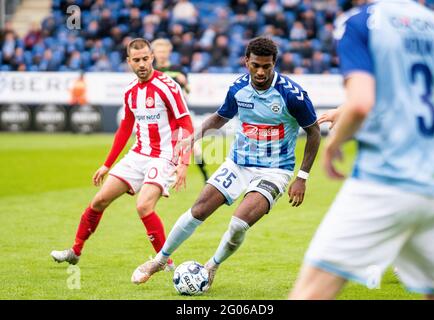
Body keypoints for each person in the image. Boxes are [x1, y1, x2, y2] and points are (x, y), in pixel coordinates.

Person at [289, 0, 434, 300]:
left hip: (384, 182)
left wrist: (335, 143)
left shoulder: (363, 22)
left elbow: (362, 102)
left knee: (309, 293)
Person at [130, 37, 321, 288]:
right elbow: (220, 117)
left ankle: (212, 266)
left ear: (274, 63)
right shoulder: (238, 88)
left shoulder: (292, 95)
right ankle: (159, 260)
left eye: (266, 66)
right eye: (255, 65)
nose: (261, 72)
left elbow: (314, 132)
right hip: (238, 164)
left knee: (239, 223)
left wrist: (302, 177)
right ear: (246, 62)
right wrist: (191, 138)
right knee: (198, 209)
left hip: (275, 170)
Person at [51, 38, 194, 270]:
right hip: (137, 154)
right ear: (129, 62)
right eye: (136, 60)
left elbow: (185, 123)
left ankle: (166, 262)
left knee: (143, 206)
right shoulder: (129, 91)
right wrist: (107, 164)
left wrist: (184, 162)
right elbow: (125, 128)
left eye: (146, 59)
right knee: (99, 200)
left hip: (165, 155)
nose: (142, 64)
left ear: (152, 58)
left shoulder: (167, 86)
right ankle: (75, 252)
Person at [151, 38, 209, 183]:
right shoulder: (151, 70)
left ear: (169, 52)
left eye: (164, 51)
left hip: (178, 116)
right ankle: (156, 177)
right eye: (159, 51)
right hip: (160, 117)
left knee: (193, 147)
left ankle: (205, 176)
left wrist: (184, 85)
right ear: (154, 53)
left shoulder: (178, 70)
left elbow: (188, 91)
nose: (162, 54)